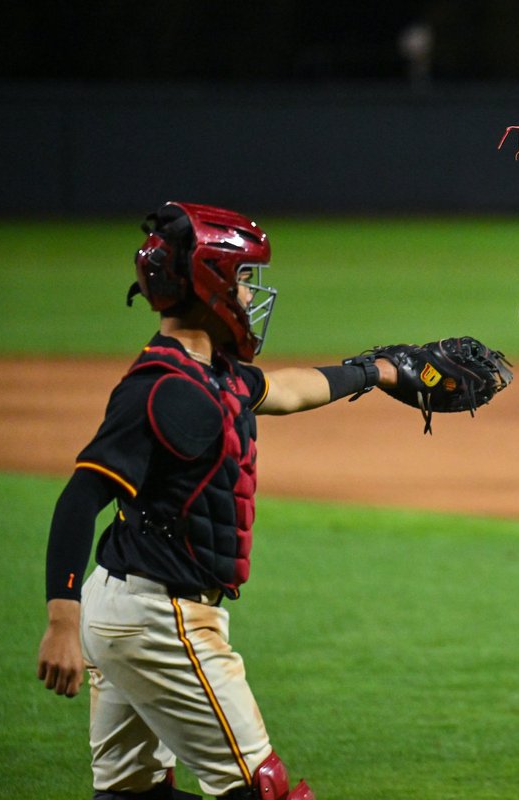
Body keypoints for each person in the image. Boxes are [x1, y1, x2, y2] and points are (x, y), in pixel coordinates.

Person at [35, 202, 410, 800]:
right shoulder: (162, 390)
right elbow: (82, 496)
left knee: (130, 795)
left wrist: (379, 372)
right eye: (240, 278)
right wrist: (60, 619)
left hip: (125, 605)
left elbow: (285, 390)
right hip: (162, 619)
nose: (247, 293)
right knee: (265, 791)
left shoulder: (212, 372)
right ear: (209, 283)